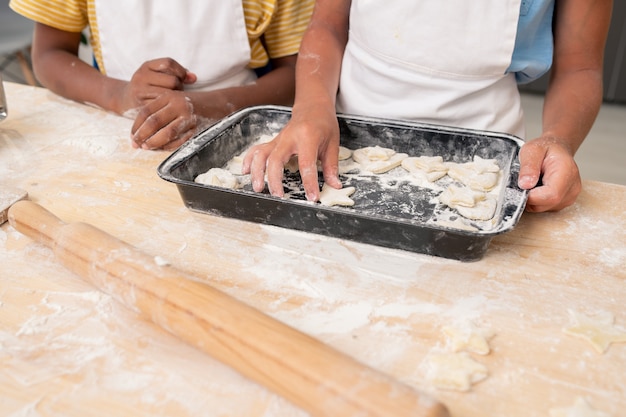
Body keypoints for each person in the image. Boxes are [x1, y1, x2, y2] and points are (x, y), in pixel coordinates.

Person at [242, 0, 613, 213]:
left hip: (483, 152)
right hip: (343, 133)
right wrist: (311, 107)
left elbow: (580, 66)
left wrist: (559, 139)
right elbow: (328, 24)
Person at [9, 0, 314, 150]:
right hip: (116, 134)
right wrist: (121, 95)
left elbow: (298, 72)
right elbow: (49, 56)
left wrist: (212, 106)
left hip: (242, 128)